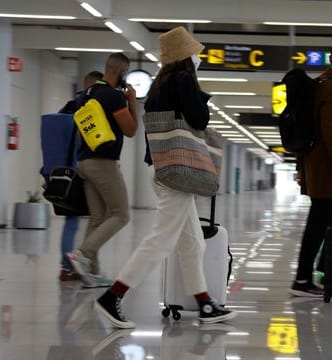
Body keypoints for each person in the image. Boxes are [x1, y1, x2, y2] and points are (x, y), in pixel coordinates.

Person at [94, 26, 236, 328]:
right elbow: (199, 118)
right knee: (160, 240)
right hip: (176, 173)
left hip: (162, 168)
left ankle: (204, 303)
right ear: (187, 56)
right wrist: (199, 95)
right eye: (196, 53)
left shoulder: (163, 83)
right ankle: (112, 296)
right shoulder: (184, 80)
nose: (199, 57)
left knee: (192, 242)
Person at [290, 40, 332, 297]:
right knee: (323, 222)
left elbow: (306, 128)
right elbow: (328, 130)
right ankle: (305, 278)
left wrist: (300, 165)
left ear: (330, 59)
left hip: (318, 166)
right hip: (328, 169)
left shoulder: (320, 83)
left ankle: (319, 272)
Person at [68, 53, 138, 287]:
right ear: (122, 73)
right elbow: (130, 130)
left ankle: (91, 273)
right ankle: (83, 253)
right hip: (103, 163)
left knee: (97, 218)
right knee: (121, 214)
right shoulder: (113, 96)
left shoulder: (86, 94)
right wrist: (132, 102)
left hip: (84, 162)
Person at [40, 70, 103, 281]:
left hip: (60, 175)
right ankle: (83, 264)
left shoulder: (66, 108)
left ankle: (67, 266)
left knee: (72, 221)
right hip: (81, 172)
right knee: (96, 219)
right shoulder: (89, 110)